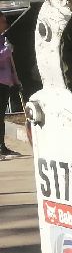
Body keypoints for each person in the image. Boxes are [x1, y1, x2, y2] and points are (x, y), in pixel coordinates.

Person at [0, 14, 19, 159]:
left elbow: (9, 64)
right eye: (3, 21)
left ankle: (2, 146)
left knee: (1, 116)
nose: (6, 24)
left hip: (5, 82)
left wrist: (15, 80)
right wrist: (7, 50)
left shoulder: (3, 39)